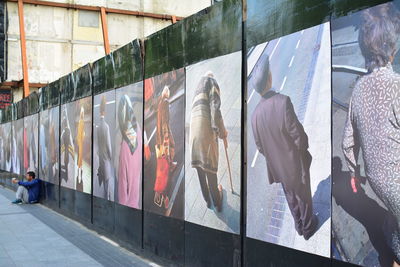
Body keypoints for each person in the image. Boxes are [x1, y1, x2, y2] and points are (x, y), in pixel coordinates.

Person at [342, 4, 400, 266]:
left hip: (377, 181)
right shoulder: (396, 86)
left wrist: (355, 173)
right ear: (393, 49)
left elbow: (347, 143)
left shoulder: (357, 92)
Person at [250, 53, 317, 240]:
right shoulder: (283, 102)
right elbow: (299, 137)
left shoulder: (254, 116)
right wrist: (303, 150)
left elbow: (260, 147)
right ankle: (309, 227)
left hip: (278, 169)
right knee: (303, 196)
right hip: (294, 164)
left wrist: (275, 156)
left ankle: (298, 226)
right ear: (269, 78)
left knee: (291, 197)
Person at [189, 71, 226, 212]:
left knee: (200, 169)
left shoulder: (198, 89)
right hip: (204, 135)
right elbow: (215, 110)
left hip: (193, 137)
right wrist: (222, 132)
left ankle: (207, 200)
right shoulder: (211, 82)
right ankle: (217, 201)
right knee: (210, 169)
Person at [154, 86, 177, 208]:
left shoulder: (160, 103)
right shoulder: (166, 103)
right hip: (164, 136)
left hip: (159, 137)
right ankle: (164, 195)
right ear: (167, 94)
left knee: (161, 165)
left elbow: (159, 122)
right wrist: (166, 139)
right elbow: (164, 123)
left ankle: (159, 193)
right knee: (165, 166)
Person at [118, 95, 142, 209]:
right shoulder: (138, 129)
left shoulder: (125, 146)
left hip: (126, 206)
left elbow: (123, 181)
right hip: (135, 203)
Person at [96, 96, 114, 201]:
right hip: (106, 157)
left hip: (100, 158)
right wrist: (110, 156)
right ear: (105, 113)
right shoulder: (106, 126)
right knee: (108, 179)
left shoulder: (98, 126)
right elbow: (108, 144)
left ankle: (105, 195)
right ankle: (107, 198)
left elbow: (99, 143)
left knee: (103, 177)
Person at [76, 107, 85, 192]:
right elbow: (81, 134)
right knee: (80, 159)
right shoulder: (81, 122)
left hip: (80, 142)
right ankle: (79, 175)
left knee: (80, 158)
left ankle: (80, 172)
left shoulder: (80, 122)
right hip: (81, 142)